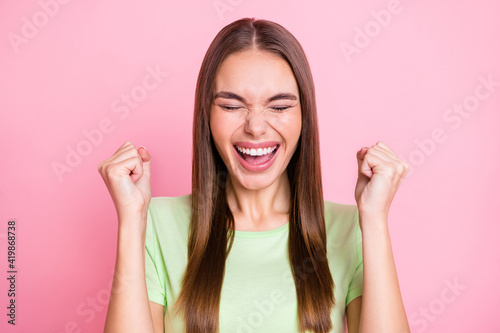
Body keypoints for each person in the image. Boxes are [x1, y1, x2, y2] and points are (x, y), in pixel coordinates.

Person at [98, 17, 410, 333]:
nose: (256, 127)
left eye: (279, 107)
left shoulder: (351, 230)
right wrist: (131, 220)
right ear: (207, 114)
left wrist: (374, 218)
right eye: (232, 106)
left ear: (305, 117)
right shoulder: (156, 224)